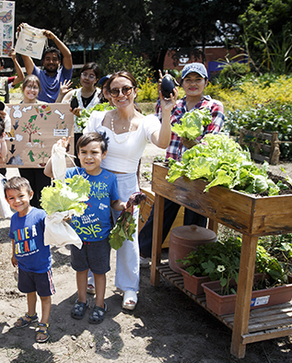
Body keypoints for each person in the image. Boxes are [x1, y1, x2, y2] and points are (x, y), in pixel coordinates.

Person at [83, 71, 174, 311]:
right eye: (115, 90)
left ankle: (129, 287)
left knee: (126, 236)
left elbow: (163, 143)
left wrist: (167, 111)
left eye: (126, 89)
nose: (121, 94)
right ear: (108, 94)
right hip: (97, 182)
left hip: (125, 185)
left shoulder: (148, 122)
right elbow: (84, 151)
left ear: (135, 90)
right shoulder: (98, 117)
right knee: (95, 231)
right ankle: (93, 277)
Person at [138, 63, 225, 265]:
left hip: (199, 171)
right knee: (162, 211)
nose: (193, 84)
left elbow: (213, 138)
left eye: (198, 80)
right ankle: (144, 253)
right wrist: (164, 96)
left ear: (206, 82)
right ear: (181, 83)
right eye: (188, 80)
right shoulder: (175, 104)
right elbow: (161, 122)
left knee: (195, 216)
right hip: (173, 167)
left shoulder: (214, 106)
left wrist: (194, 144)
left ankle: (192, 259)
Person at [43, 133, 125, 324]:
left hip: (101, 235)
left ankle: (99, 304)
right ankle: (81, 301)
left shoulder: (109, 178)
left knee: (99, 271)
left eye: (94, 152)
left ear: (103, 154)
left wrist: (126, 205)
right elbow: (49, 172)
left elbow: (115, 202)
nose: (88, 157)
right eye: (83, 152)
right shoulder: (73, 173)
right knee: (80, 269)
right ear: (77, 154)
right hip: (76, 235)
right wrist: (57, 152)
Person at [5, 176, 53, 343]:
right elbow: (14, 237)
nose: (17, 201)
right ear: (7, 200)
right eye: (11, 198)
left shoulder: (40, 215)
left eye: (21, 196)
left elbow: (54, 230)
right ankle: (31, 314)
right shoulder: (13, 219)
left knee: (45, 296)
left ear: (31, 195)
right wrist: (14, 254)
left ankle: (44, 323)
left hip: (41, 266)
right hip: (24, 266)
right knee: (29, 292)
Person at [17, 74, 51, 208]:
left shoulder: (45, 107)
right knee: (27, 188)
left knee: (44, 190)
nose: (32, 90)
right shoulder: (14, 109)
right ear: (23, 88)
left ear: (39, 90)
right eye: (29, 86)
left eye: (35, 87)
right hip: (23, 156)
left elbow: (54, 121)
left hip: (42, 156)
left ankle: (45, 219)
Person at [18, 23, 73, 103]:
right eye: (48, 59)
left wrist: (54, 38)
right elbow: (25, 55)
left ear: (59, 62)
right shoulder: (37, 74)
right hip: (40, 113)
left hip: (61, 113)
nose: (51, 62)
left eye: (54, 59)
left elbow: (68, 55)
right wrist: (22, 35)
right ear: (43, 62)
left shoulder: (64, 75)